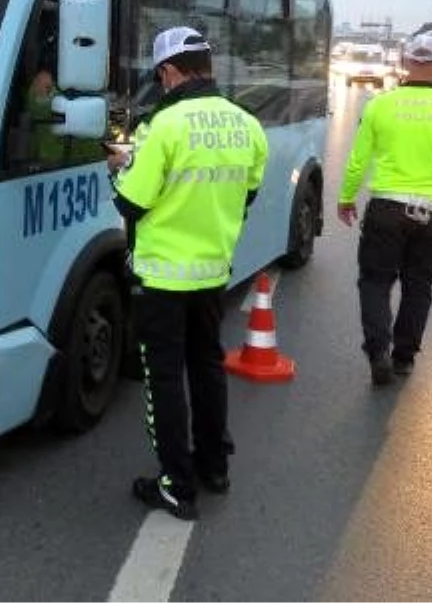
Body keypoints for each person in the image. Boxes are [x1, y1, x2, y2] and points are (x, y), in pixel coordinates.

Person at [107, 26, 268, 522]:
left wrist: (119, 167)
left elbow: (130, 202)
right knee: (207, 366)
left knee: (163, 379)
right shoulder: (247, 126)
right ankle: (214, 465)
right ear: (208, 66)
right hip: (211, 273)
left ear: (169, 72)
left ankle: (176, 485)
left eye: (161, 76)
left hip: (161, 277)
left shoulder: (163, 126)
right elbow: (247, 195)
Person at [337, 33, 432, 386]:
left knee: (374, 281)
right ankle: (404, 357)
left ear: (406, 62)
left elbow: (358, 161)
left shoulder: (379, 106)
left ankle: (377, 351)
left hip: (386, 209)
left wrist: (346, 198)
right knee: (419, 287)